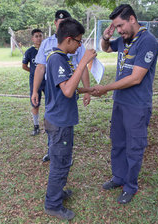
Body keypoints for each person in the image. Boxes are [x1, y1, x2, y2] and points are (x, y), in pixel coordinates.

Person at [93, 4, 158, 204]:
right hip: (120, 102)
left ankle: (130, 186)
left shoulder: (148, 42)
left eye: (120, 26)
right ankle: (119, 177)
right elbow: (105, 49)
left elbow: (136, 78)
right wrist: (105, 36)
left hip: (137, 105)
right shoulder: (124, 39)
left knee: (134, 147)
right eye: (116, 27)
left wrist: (106, 88)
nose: (119, 31)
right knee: (118, 142)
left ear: (132, 19)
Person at [43, 17, 96, 220]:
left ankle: (57, 193)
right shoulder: (57, 58)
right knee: (60, 163)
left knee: (62, 160)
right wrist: (84, 62)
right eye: (78, 41)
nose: (80, 45)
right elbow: (66, 91)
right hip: (59, 122)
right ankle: (52, 204)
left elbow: (67, 87)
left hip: (60, 119)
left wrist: (87, 89)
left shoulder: (61, 57)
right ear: (68, 39)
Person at [31, 10, 92, 162]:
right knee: (56, 119)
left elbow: (81, 68)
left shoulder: (74, 43)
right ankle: (55, 152)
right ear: (55, 24)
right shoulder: (48, 45)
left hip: (68, 86)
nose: (79, 45)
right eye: (60, 22)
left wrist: (87, 90)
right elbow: (40, 68)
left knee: (62, 120)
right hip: (53, 86)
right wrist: (35, 90)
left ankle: (62, 154)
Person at [22, 29, 45, 136]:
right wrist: (34, 73)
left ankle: (50, 125)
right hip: (34, 82)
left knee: (50, 102)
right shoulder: (30, 52)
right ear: (32, 38)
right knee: (35, 103)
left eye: (40, 36)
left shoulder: (46, 50)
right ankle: (36, 126)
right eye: (36, 36)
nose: (38, 38)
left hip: (47, 80)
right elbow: (24, 66)